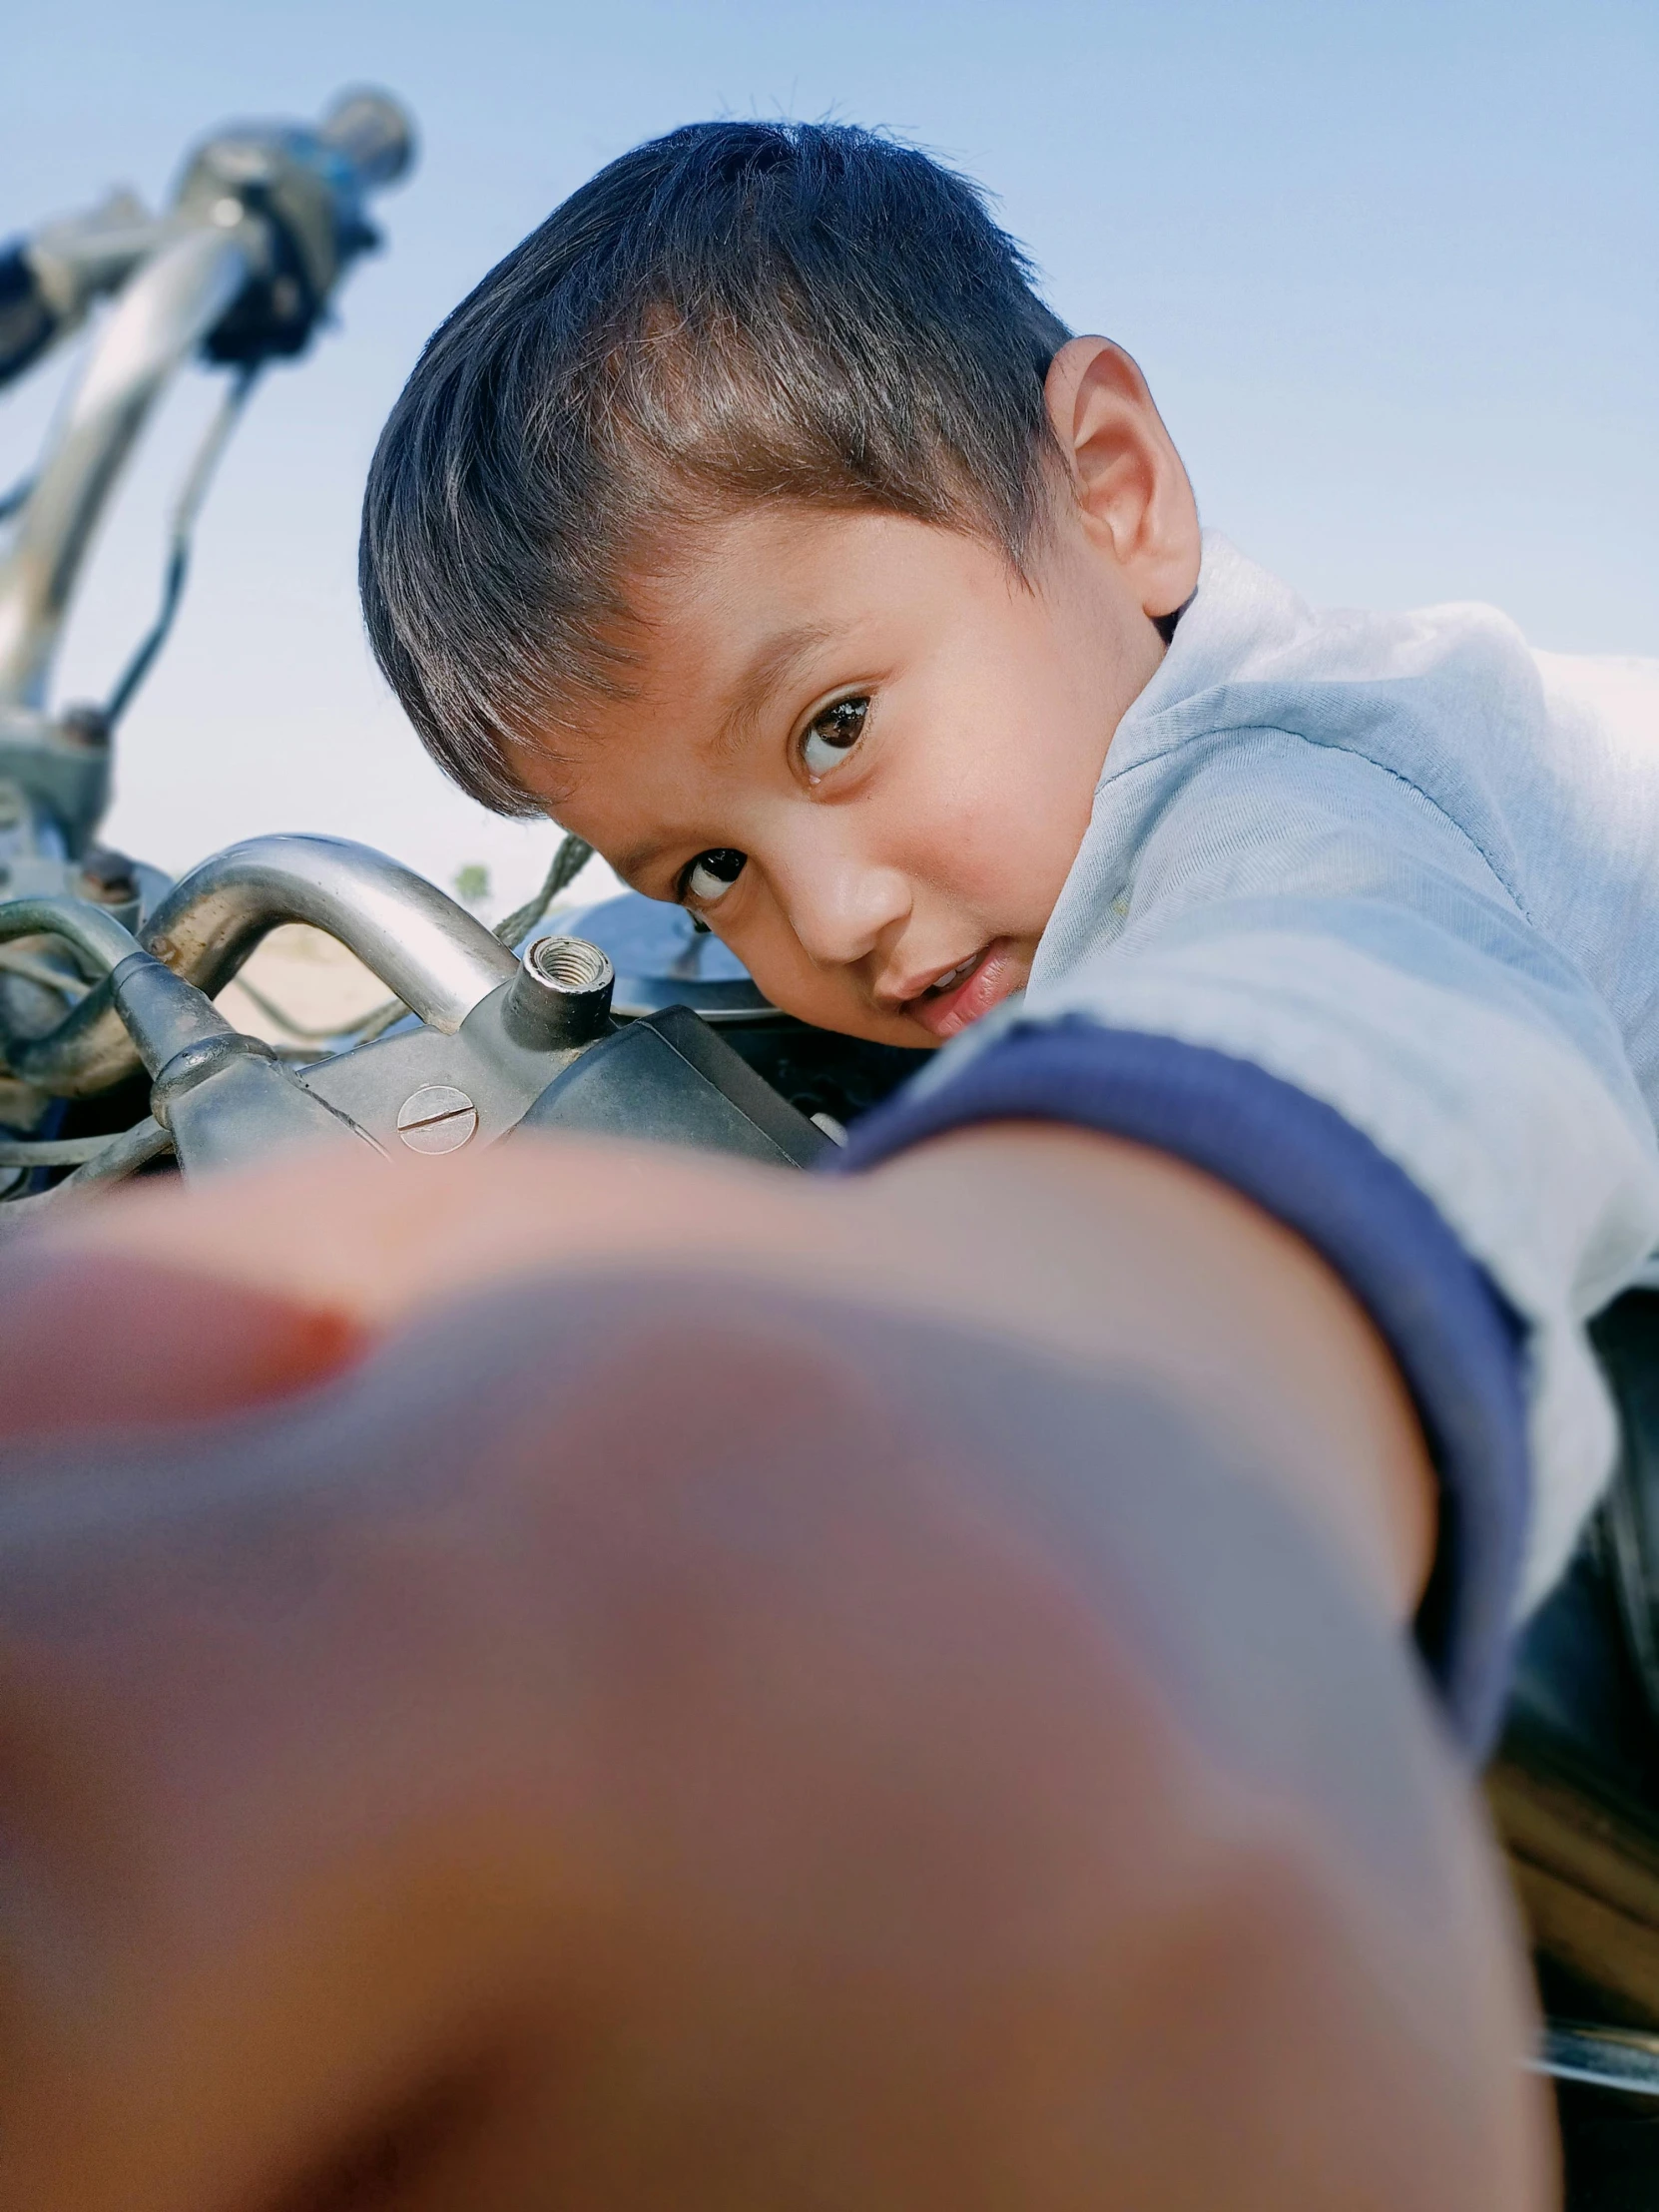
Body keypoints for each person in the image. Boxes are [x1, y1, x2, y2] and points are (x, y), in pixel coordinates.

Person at [0, 114, 1646, 2203]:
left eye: (836, 730)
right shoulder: (941, 855)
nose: (837, 913)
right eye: (710, 855)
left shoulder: (1329, 765)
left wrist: (1007, 1420)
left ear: (1117, 494)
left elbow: (1331, 1029)